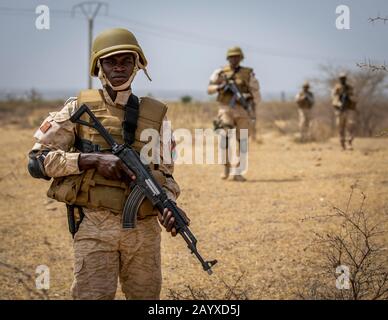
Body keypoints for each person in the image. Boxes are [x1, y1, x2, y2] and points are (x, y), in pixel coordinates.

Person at [27, 28, 188, 300]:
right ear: (98, 66)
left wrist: (168, 205)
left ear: (137, 65)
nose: (119, 68)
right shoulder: (77, 108)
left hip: (144, 231)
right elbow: (37, 162)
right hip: (94, 226)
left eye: (126, 61)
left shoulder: (156, 116)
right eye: (110, 62)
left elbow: (167, 176)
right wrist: (90, 160)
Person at [207, 46, 261, 181]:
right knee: (224, 138)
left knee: (242, 141)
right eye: (232, 57)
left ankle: (238, 171)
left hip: (242, 109)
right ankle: (226, 166)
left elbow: (256, 93)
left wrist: (251, 106)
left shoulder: (248, 73)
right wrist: (220, 87)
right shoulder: (220, 72)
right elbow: (209, 89)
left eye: (237, 56)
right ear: (228, 58)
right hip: (225, 108)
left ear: (241, 58)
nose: (234, 59)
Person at [331, 73, 357, 150]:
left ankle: (349, 143)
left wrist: (349, 97)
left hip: (348, 110)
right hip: (339, 111)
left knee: (350, 126)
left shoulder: (349, 87)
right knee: (340, 127)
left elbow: (354, 98)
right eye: (341, 78)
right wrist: (339, 104)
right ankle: (342, 144)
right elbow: (333, 99)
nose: (343, 80)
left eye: (344, 78)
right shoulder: (336, 88)